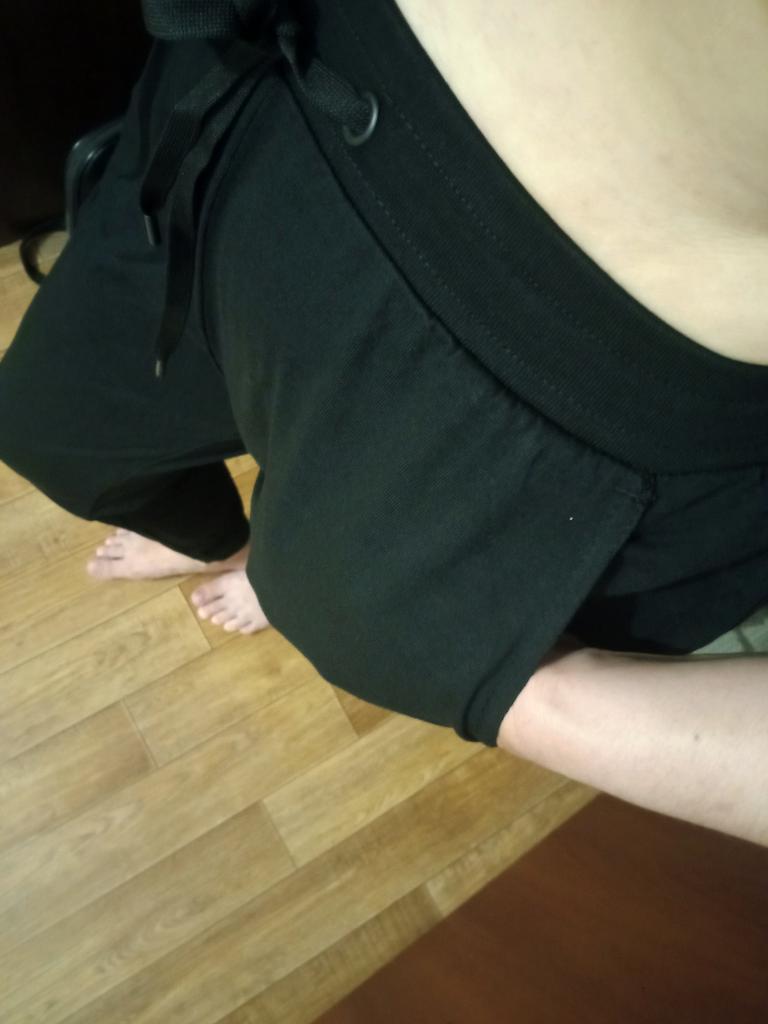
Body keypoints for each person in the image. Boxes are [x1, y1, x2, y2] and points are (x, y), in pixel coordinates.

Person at [0, 0, 767, 769]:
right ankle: (231, 548)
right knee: (49, 430)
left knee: (322, 600)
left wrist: (538, 703)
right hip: (301, 77)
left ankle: (269, 564)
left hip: (583, 365)